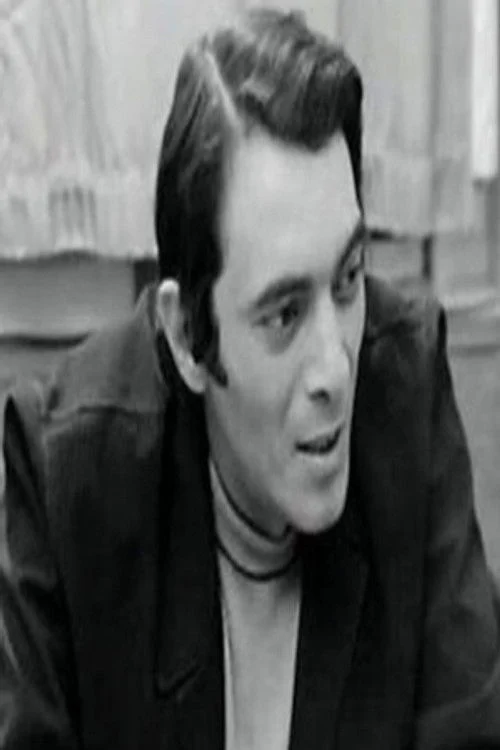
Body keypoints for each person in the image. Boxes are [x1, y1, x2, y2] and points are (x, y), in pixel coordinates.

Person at [1, 8, 500, 749]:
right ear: (187, 339)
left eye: (349, 279)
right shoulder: (68, 476)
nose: (335, 367)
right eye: (284, 314)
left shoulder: (404, 391)